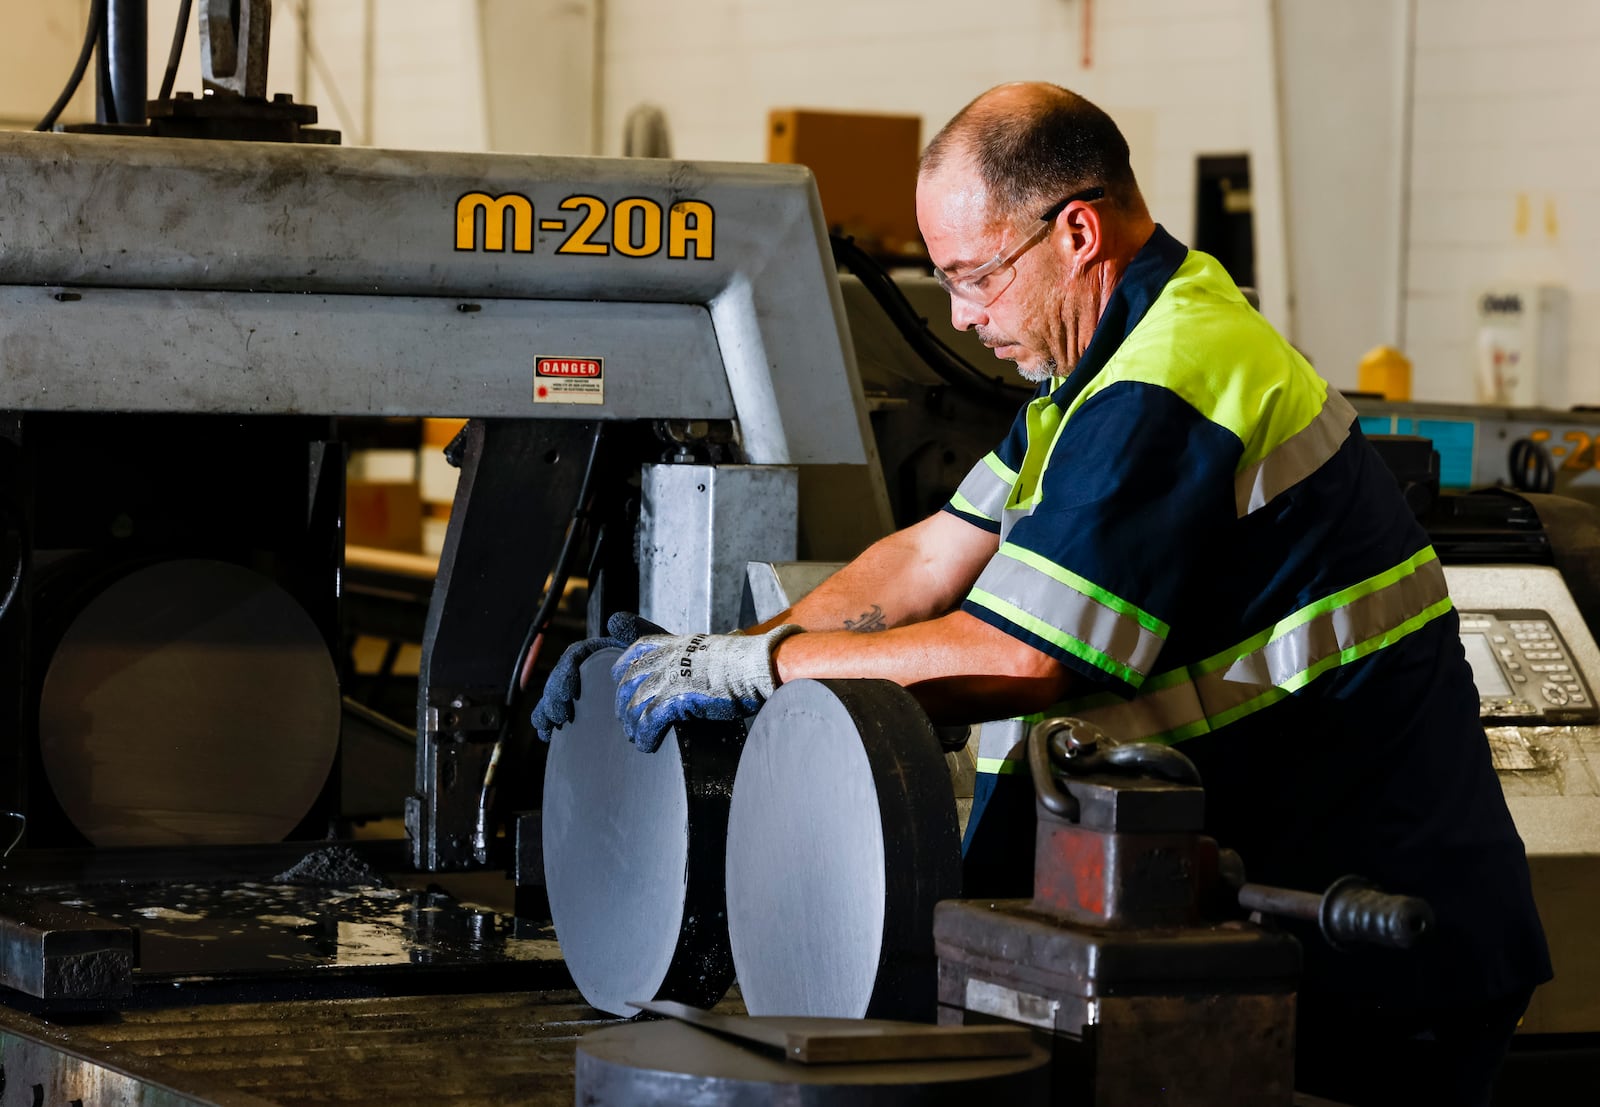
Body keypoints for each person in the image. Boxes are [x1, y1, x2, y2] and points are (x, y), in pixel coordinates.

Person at [533, 82, 1550, 1105]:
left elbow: (1022, 655)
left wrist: (750, 670)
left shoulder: (1173, 378)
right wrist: (701, 666)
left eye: (975, 276)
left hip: (1361, 953)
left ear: (1075, 231)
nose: (963, 316)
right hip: (1236, 945)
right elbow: (928, 556)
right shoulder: (1088, 380)